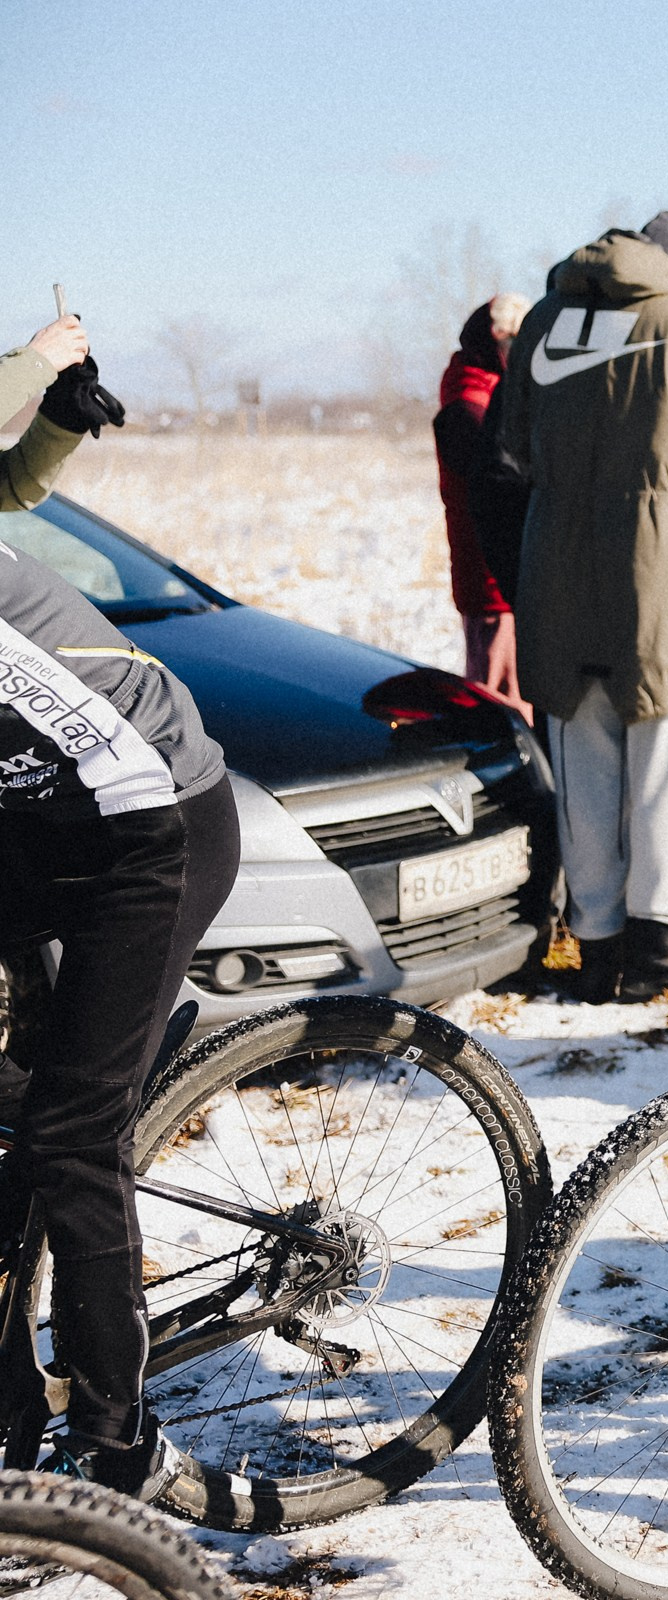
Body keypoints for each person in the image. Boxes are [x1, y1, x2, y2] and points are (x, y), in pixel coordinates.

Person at [0, 307, 235, 1498]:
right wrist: (51, 421)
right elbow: (10, 481)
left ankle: (115, 1438)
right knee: (20, 1118)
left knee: (68, 1134)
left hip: (153, 820)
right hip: (44, 813)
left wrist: (39, 363)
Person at [499, 212, 668, 1001]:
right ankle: (666, 945)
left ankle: (599, 950)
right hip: (662, 573)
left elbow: (513, 441)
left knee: (583, 765)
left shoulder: (544, 321)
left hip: (557, 569)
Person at [432, 293, 532, 717]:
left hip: (497, 575)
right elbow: (496, 488)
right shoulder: (469, 406)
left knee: (508, 691)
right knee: (501, 702)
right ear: (498, 341)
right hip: (491, 582)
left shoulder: (481, 390)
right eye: (519, 345)